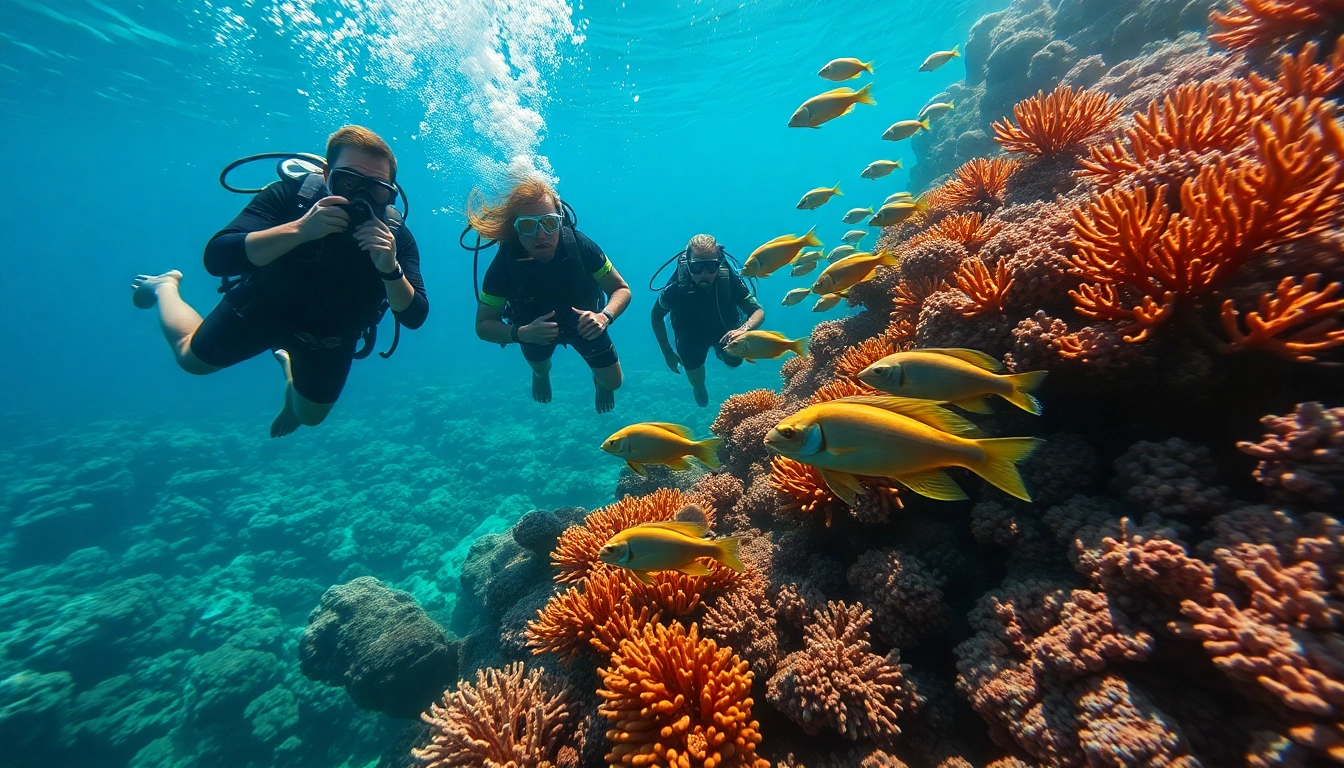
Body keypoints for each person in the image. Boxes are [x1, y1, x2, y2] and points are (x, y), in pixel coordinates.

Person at [130, 126, 429, 437]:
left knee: (310, 417)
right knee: (191, 360)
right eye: (348, 181)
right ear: (327, 174)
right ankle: (165, 286)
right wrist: (301, 230)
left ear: (391, 191)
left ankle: (290, 373)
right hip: (261, 309)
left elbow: (414, 316)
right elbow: (218, 257)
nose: (360, 197)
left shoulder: (395, 235)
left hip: (329, 338)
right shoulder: (292, 198)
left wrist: (389, 268)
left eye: (377, 189)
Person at [471, 177, 631, 414]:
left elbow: (621, 289)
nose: (541, 235)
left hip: (587, 326)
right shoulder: (504, 265)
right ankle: (541, 373)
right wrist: (520, 333)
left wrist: (604, 317)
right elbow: (483, 325)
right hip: (533, 333)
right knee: (540, 366)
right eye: (527, 226)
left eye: (549, 223)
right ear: (514, 229)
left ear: (561, 221)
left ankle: (601, 383)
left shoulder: (581, 246)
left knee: (614, 382)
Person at [652, 234, 765, 407]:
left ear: (718, 263)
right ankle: (699, 386)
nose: (704, 274)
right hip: (689, 337)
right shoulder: (677, 286)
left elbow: (757, 311)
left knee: (735, 361)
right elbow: (656, 315)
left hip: (726, 331)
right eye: (697, 268)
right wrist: (667, 351)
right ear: (688, 264)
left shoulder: (727, 279)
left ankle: (722, 353)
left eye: (711, 266)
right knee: (695, 378)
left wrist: (743, 329)